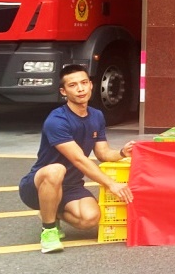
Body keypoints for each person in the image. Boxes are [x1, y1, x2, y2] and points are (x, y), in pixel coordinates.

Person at [19, 64, 134, 254]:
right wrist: (111, 184)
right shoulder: (57, 120)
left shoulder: (96, 116)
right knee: (57, 169)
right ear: (63, 91)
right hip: (38, 186)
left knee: (90, 219)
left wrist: (122, 152)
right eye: (73, 85)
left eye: (84, 83)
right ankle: (49, 231)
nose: (80, 89)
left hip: (71, 186)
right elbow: (79, 160)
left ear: (91, 85)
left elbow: (103, 153)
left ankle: (52, 212)